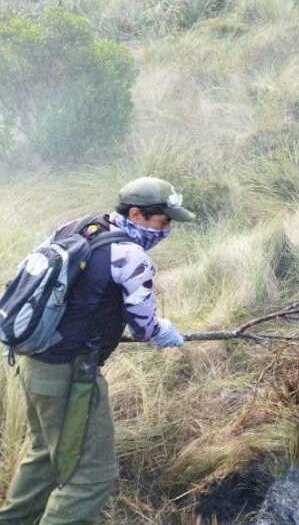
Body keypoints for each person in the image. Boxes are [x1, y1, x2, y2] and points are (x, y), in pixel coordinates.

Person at [0, 177, 192, 525]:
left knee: (44, 456)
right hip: (71, 376)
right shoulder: (131, 255)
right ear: (137, 214)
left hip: (34, 362)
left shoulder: (80, 226)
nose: (167, 230)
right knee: (93, 477)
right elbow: (145, 325)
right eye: (164, 222)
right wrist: (166, 332)